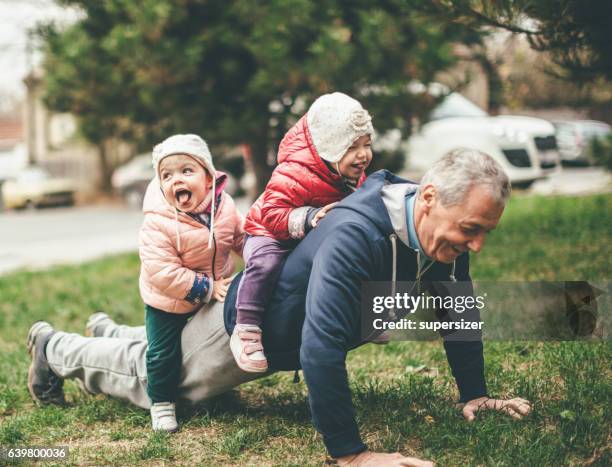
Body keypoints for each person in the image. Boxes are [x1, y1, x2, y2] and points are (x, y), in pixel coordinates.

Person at [27, 149, 531, 466]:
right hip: (241, 332)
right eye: (471, 229)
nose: (478, 245)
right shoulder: (358, 233)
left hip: (271, 333)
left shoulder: (435, 235)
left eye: (486, 231)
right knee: (154, 379)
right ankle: (56, 349)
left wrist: (476, 394)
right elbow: (321, 345)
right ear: (428, 198)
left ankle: (111, 331)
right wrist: (352, 454)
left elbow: (456, 307)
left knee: (161, 351)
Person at [232, 92, 374, 373]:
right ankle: (246, 327)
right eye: (351, 147)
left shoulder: (350, 174)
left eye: (366, 144)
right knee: (267, 263)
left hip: (309, 233)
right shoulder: (293, 171)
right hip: (268, 231)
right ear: (328, 147)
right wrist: (308, 217)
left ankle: (366, 313)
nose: (362, 155)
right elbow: (272, 214)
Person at [128, 134, 244, 432]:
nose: (176, 180)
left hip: (213, 288)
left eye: (186, 171)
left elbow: (241, 237)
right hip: (167, 299)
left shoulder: (225, 207)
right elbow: (161, 270)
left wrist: (260, 253)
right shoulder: (158, 221)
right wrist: (206, 288)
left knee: (215, 341)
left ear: (209, 177)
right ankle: (162, 402)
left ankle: (218, 387)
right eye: (167, 175)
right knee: (163, 352)